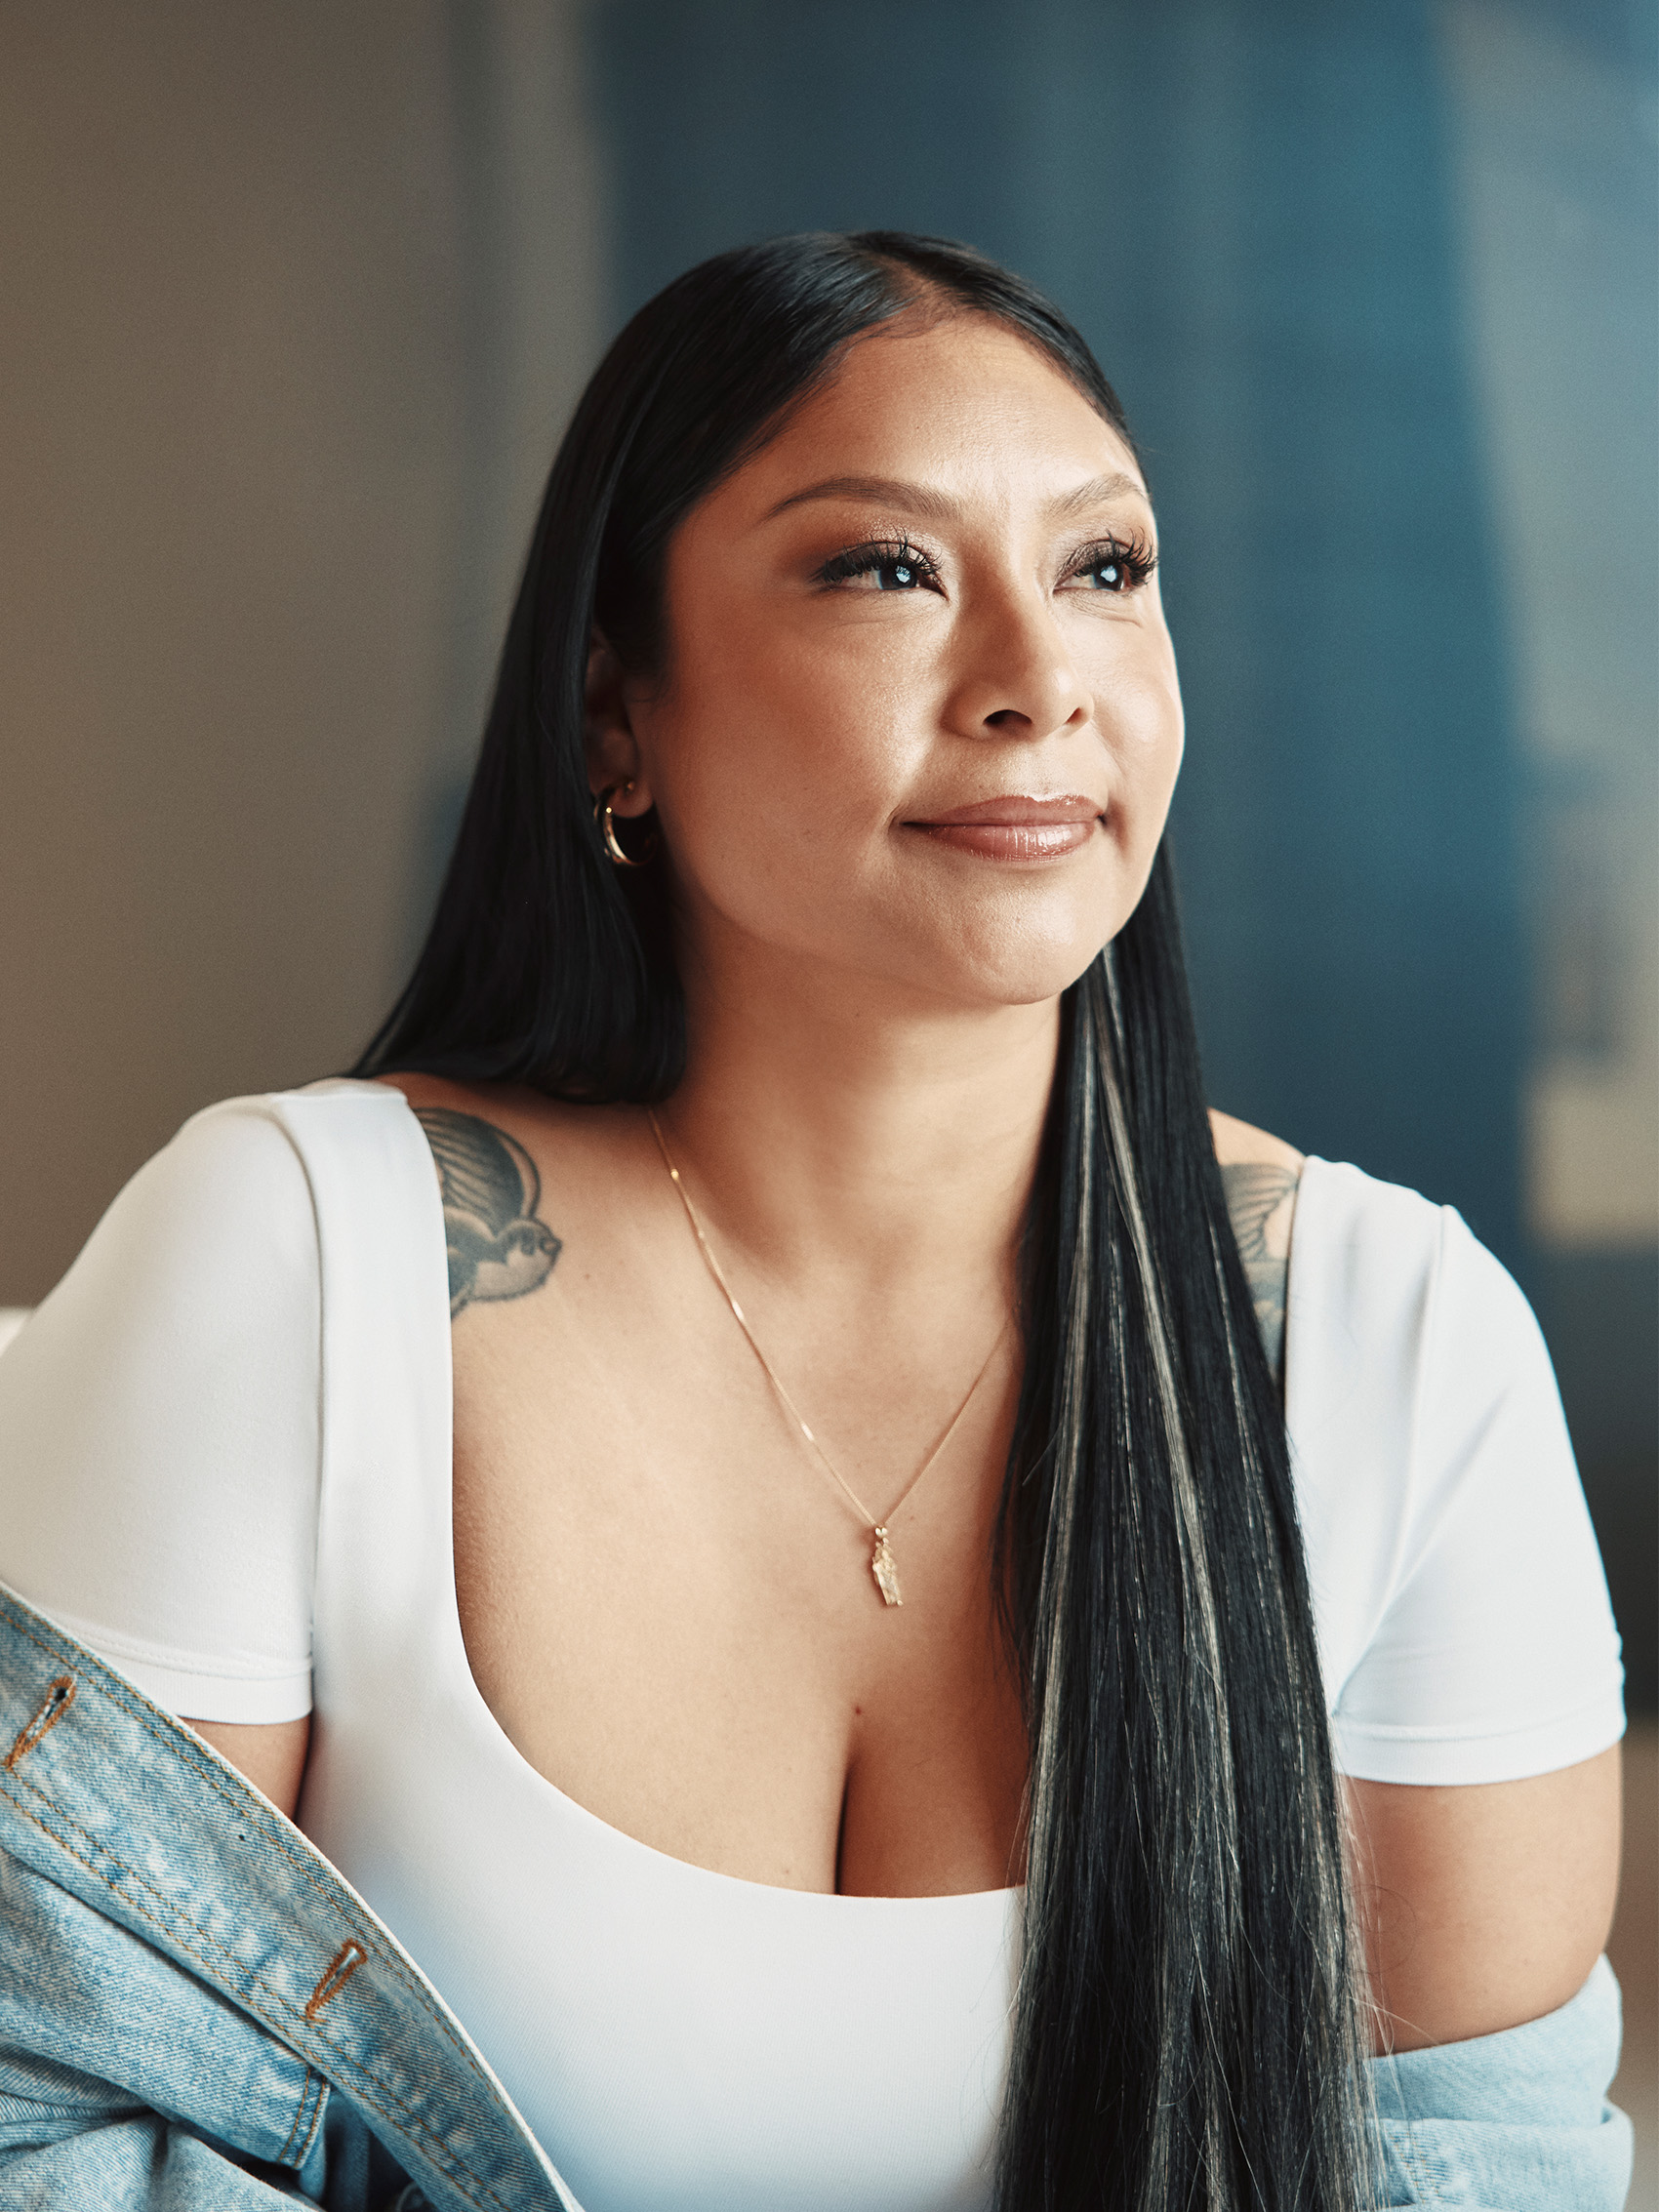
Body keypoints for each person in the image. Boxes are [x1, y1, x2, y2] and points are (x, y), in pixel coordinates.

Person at [0, 232, 1630, 2210]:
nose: (1039, 685)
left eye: (1105, 570)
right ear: (614, 713)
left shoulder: (1399, 1348)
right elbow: (55, 2139)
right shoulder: (289, 1266)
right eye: (886, 570)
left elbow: (1475, 2173)